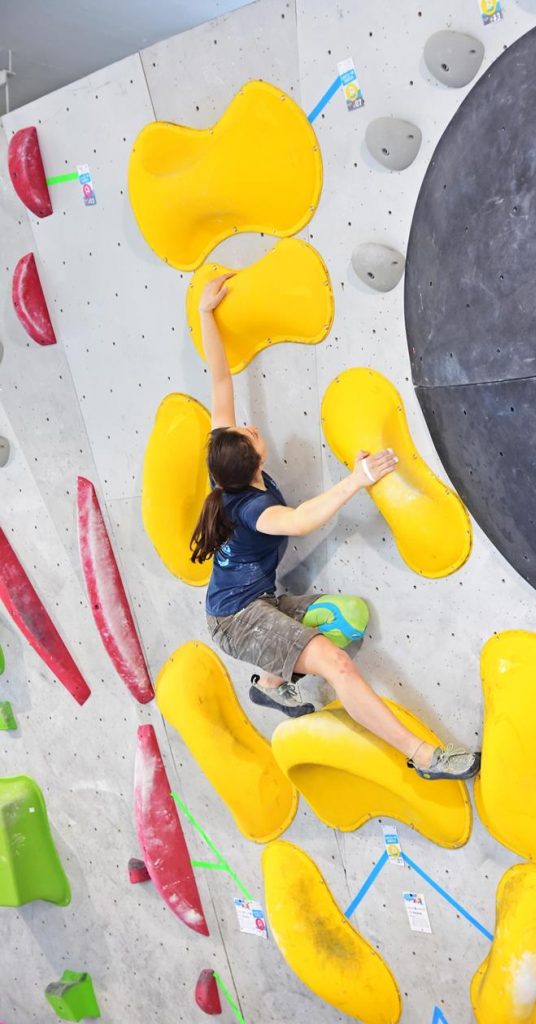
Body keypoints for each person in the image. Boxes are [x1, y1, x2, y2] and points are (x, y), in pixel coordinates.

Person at [190, 274, 480, 782]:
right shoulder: (255, 510)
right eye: (248, 434)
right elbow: (301, 518)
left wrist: (205, 314)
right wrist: (358, 479)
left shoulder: (225, 462)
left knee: (349, 615)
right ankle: (425, 757)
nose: (250, 427)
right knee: (338, 665)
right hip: (237, 621)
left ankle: (272, 680)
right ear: (252, 459)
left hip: (255, 604)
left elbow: (219, 381)